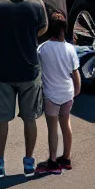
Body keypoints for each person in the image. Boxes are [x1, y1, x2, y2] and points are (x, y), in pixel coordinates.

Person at [0, 0, 49, 179]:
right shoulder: (37, 6)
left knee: (2, 119)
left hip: (3, 71)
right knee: (30, 118)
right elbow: (43, 29)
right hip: (29, 71)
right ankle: (29, 163)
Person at [35, 11, 80, 174]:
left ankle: (53, 161)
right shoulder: (69, 49)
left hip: (51, 95)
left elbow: (37, 70)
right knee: (66, 124)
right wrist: (76, 90)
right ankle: (66, 158)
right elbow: (75, 73)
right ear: (64, 29)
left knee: (52, 129)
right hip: (67, 93)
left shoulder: (43, 49)